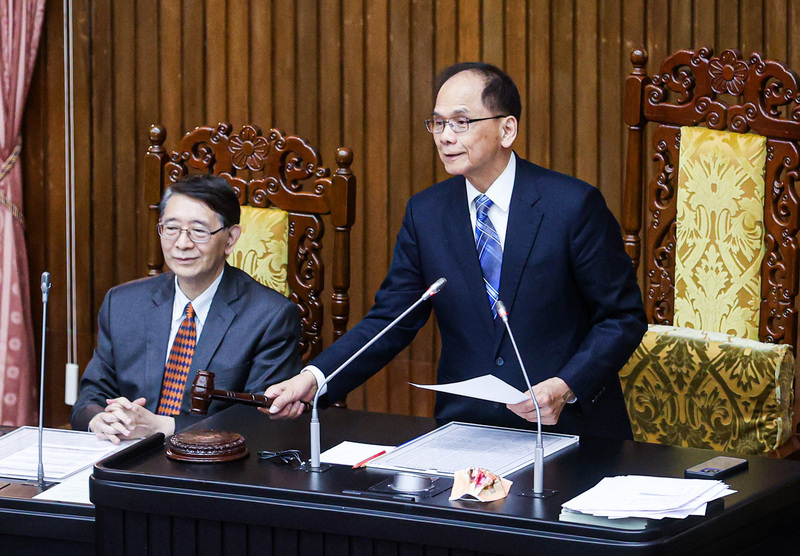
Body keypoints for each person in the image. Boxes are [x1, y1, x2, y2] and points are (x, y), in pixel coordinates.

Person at [263, 62, 646, 439]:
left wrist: (566, 385)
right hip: (467, 430)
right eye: (438, 123)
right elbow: (390, 320)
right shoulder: (426, 212)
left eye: (461, 122)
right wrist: (314, 378)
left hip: (569, 430)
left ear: (506, 129)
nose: (445, 136)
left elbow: (622, 318)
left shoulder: (572, 206)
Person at [71, 174, 301, 443]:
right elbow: (90, 398)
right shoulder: (122, 303)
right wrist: (100, 419)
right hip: (121, 455)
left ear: (230, 239)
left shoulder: (270, 316)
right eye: (171, 228)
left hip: (214, 471)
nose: (182, 243)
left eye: (199, 231)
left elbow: (259, 419)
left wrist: (165, 426)